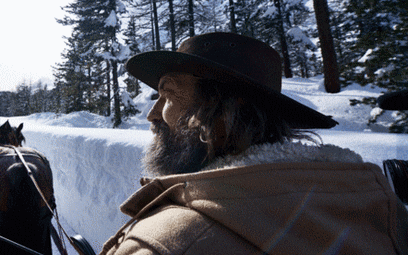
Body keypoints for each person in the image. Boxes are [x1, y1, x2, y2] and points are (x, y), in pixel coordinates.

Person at [100, 32, 408, 255]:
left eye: (168, 94)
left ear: (219, 111)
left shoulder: (166, 242)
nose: (152, 114)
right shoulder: (380, 209)